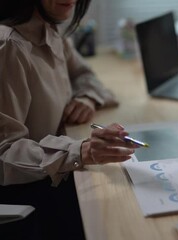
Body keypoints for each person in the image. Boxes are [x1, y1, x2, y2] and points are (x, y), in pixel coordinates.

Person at [0, 0, 139, 239]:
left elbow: (85, 75)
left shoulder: (49, 26)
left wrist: (86, 99)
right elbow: (5, 153)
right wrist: (80, 150)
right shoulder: (9, 46)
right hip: (27, 193)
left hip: (51, 174)